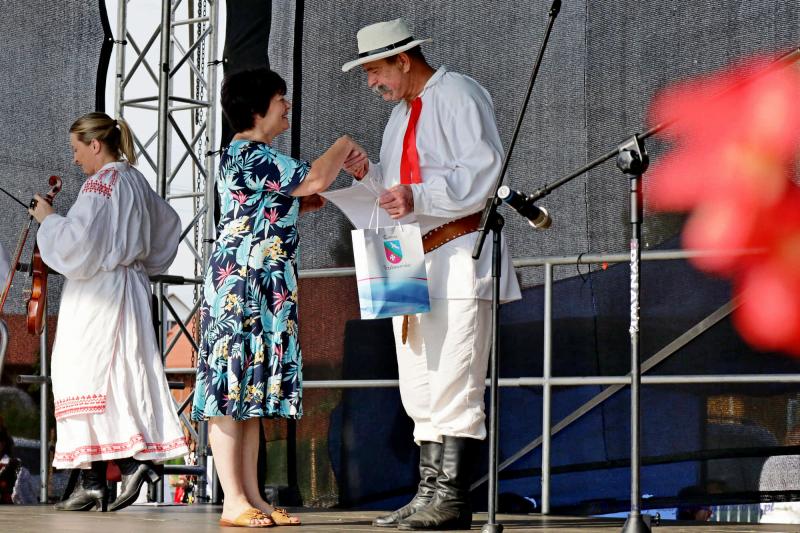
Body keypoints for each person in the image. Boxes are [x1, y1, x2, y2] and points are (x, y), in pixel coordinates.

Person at [340, 18, 521, 531]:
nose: (372, 83)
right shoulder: (399, 118)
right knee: (418, 383)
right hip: (410, 259)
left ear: (403, 59)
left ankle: (452, 499)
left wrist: (415, 196)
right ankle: (428, 494)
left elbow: (483, 172)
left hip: (458, 255)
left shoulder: (459, 93)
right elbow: (401, 193)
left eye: (375, 71)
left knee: (454, 377)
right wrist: (370, 176)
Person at [191, 67, 362, 528]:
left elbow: (273, 205)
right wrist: (344, 145)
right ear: (257, 109)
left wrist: (293, 204)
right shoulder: (249, 153)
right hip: (243, 287)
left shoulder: (255, 157)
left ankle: (252, 497)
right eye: (280, 98)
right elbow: (315, 178)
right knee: (230, 393)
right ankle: (233, 500)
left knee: (247, 397)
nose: (287, 106)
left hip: (264, 289)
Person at [29, 112, 189, 512]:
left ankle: (132, 462)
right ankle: (93, 479)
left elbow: (78, 245)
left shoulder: (100, 184)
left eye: (76, 149)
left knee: (91, 377)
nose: (75, 158)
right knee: (111, 376)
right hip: (127, 286)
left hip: (100, 292)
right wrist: (138, 260)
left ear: (95, 145)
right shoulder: (135, 180)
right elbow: (169, 224)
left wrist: (48, 220)